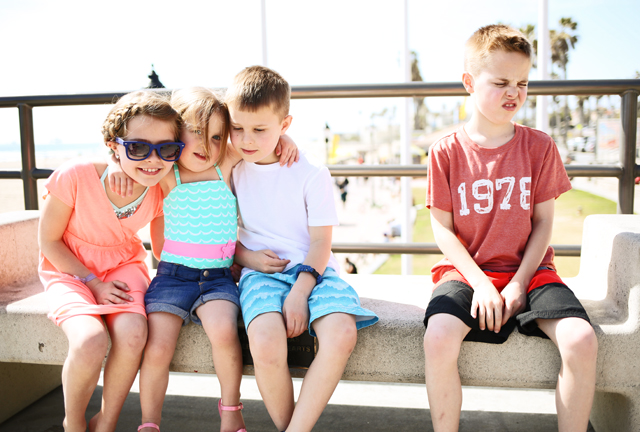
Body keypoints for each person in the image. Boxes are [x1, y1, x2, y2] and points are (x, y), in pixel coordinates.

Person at [422, 24, 598, 432]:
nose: (513, 92)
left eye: (522, 82)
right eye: (500, 82)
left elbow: (544, 222)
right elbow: (443, 231)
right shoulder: (446, 151)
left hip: (532, 272)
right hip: (466, 272)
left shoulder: (539, 147)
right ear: (469, 82)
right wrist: (482, 284)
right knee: (438, 337)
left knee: (581, 340)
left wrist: (518, 283)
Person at [107, 87, 299, 432]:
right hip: (171, 277)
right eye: (194, 132)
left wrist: (286, 141)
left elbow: (258, 144)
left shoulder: (224, 163)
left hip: (217, 277)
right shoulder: (167, 173)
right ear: (175, 134)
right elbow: (133, 160)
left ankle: (230, 411)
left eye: (215, 136)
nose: (205, 144)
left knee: (224, 332)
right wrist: (113, 165)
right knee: (157, 345)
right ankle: (150, 421)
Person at [227, 66, 378, 432]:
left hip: (314, 269)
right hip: (261, 273)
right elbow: (221, 234)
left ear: (285, 123)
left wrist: (300, 290)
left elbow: (321, 242)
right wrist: (248, 259)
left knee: (342, 333)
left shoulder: (311, 173)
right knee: (264, 342)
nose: (247, 139)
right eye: (237, 127)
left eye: (260, 129)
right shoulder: (229, 168)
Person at [38, 91, 183, 432]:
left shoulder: (162, 189)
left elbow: (162, 251)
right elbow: (49, 241)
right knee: (90, 341)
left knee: (134, 334)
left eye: (166, 149)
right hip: (69, 268)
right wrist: (93, 282)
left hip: (123, 264)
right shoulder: (75, 175)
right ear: (113, 144)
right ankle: (73, 424)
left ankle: (105, 423)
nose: (152, 159)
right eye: (137, 147)